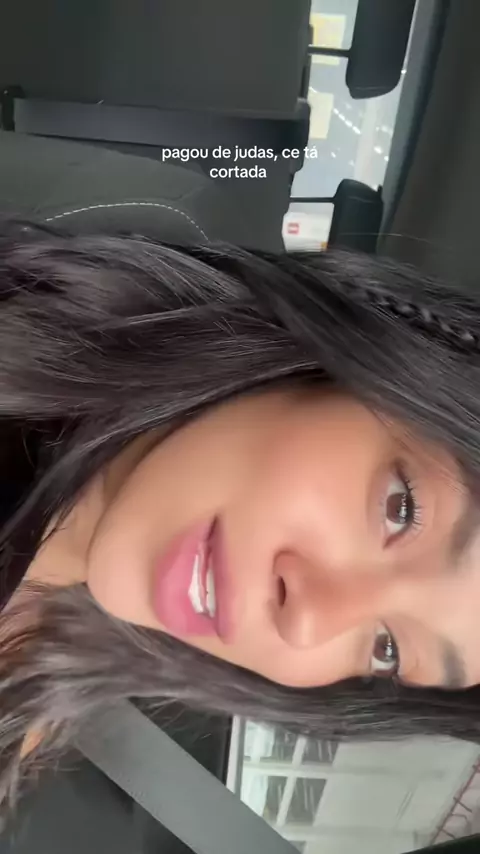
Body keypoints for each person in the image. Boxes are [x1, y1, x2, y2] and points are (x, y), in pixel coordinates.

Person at [0, 218, 480, 810]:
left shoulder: (26, 698)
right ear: (364, 364)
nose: (309, 619)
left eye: (389, 651)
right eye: (400, 509)